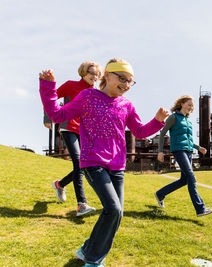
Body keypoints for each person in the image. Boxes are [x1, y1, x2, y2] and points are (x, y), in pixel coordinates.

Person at [39, 58, 168, 266]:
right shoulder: (88, 96)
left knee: (117, 214)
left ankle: (88, 249)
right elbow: (56, 114)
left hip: (117, 166)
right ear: (107, 75)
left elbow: (140, 132)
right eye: (122, 78)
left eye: (130, 82)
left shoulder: (126, 105)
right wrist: (47, 87)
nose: (126, 85)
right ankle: (93, 260)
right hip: (93, 162)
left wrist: (158, 121)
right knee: (113, 209)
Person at [44, 61, 101, 217]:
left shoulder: (94, 93)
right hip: (68, 127)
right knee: (77, 161)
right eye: (91, 73)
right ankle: (81, 204)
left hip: (84, 132)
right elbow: (50, 97)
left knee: (82, 166)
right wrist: (47, 117)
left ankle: (59, 184)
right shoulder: (70, 85)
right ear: (83, 72)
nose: (94, 77)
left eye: (97, 74)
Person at [155, 95, 212, 217]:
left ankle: (160, 194)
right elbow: (162, 133)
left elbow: (189, 139)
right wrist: (160, 151)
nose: (191, 107)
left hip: (188, 151)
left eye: (192, 106)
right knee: (191, 178)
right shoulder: (173, 117)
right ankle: (200, 208)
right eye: (189, 104)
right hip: (179, 150)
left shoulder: (188, 120)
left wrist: (199, 148)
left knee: (184, 180)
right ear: (182, 104)